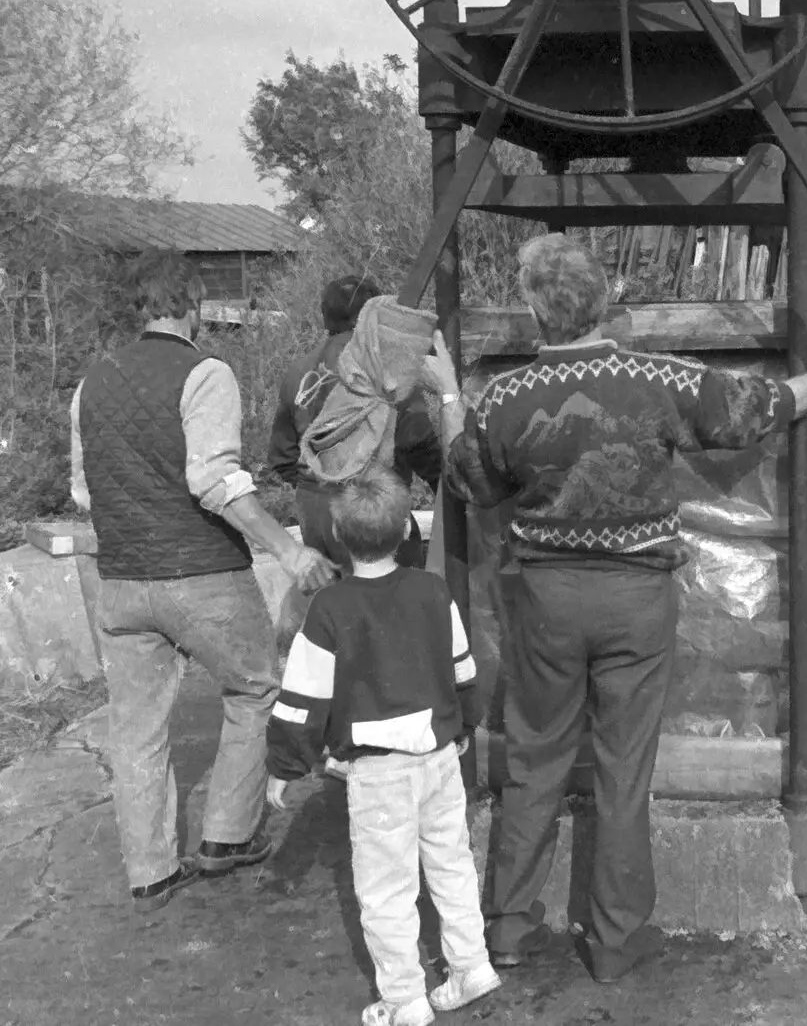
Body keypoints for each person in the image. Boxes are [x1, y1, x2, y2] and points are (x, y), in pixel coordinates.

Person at [426, 233, 807, 981]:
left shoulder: (506, 397)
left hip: (544, 598)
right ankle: (616, 942)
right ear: (603, 302)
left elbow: (468, 483)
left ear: (537, 311)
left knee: (534, 762)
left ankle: (505, 930)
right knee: (623, 771)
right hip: (637, 599)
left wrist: (447, 393)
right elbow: (763, 408)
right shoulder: (656, 377)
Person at [67, 251, 337, 913]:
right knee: (254, 688)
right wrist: (285, 549)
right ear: (192, 305)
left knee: (135, 728)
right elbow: (214, 480)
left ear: (137, 307)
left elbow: (81, 491)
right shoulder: (206, 373)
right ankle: (228, 837)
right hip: (202, 574)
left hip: (122, 581)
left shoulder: (90, 383)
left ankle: (151, 872)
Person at [267, 471, 495, 1026]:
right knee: (451, 863)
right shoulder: (432, 590)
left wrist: (284, 765)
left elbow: (303, 698)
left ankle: (404, 999)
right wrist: (466, 724)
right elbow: (463, 668)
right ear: (406, 531)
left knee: (386, 888)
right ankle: (471, 965)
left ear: (339, 536)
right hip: (441, 756)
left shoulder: (328, 609)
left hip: (378, 772)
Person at [267, 275, 440, 572]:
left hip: (314, 510)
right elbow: (418, 441)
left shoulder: (298, 371)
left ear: (324, 317)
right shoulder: (383, 367)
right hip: (371, 507)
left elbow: (282, 457)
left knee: (333, 606)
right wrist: (446, 488)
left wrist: (320, 486)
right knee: (396, 603)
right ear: (374, 317)